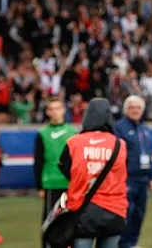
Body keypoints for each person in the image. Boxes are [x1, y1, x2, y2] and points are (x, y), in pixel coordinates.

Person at [59, 97, 128, 248]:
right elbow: (124, 171)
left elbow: (64, 168)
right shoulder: (120, 144)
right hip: (115, 210)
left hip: (82, 210)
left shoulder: (74, 142)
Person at [114, 95, 152, 248]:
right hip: (127, 178)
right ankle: (123, 244)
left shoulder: (144, 128)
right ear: (126, 110)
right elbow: (117, 156)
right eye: (131, 108)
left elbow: (148, 153)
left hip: (143, 178)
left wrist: (151, 177)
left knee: (139, 213)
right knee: (127, 213)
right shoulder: (119, 127)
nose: (135, 110)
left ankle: (132, 242)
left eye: (138, 108)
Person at [35, 97, 77, 248]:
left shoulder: (73, 132)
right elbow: (38, 161)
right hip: (51, 183)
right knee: (49, 222)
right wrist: (39, 186)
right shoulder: (43, 133)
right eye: (51, 109)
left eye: (58, 108)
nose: (55, 112)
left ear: (64, 110)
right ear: (47, 112)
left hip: (70, 185)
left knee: (70, 221)